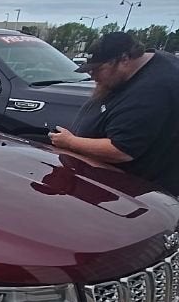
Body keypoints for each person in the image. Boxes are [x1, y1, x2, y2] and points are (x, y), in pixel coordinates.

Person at [49, 32, 179, 195]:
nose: (92, 75)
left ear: (124, 59)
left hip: (132, 193)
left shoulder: (152, 91)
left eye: (98, 69)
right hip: (107, 182)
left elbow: (121, 151)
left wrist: (70, 142)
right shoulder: (142, 67)